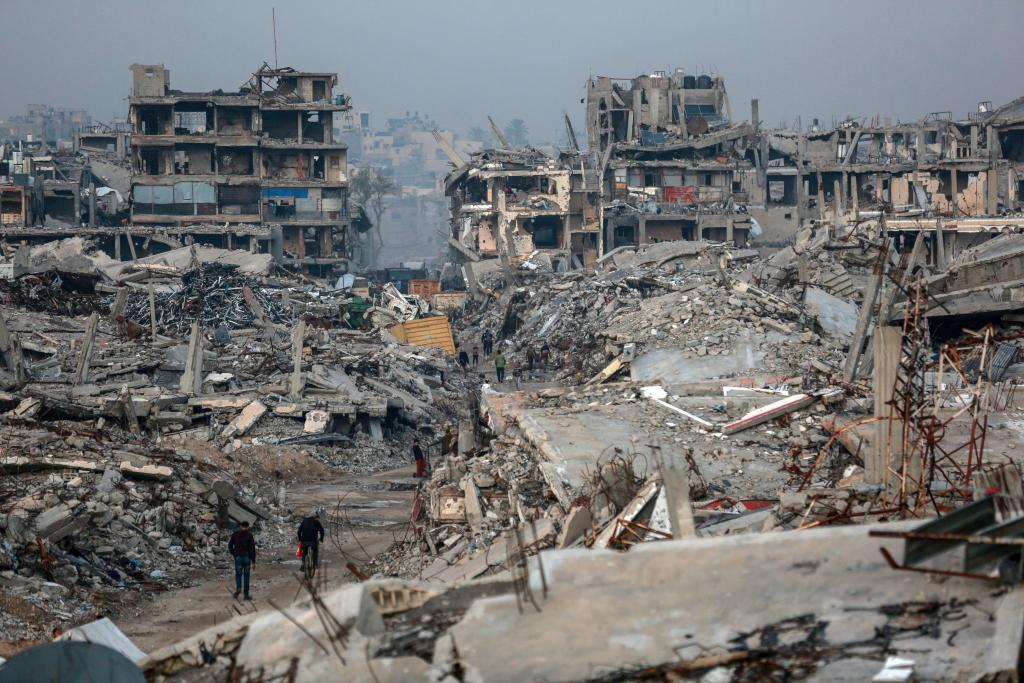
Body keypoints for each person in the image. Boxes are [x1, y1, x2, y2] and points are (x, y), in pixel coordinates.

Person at [228, 520, 257, 600]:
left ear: (241, 526)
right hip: (246, 557)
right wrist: (253, 561)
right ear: (248, 527)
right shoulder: (249, 535)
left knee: (238, 574)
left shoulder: (235, 534)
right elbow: (252, 549)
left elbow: (230, 546)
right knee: (246, 576)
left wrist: (234, 553)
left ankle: (238, 588)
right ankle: (246, 595)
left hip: (238, 557)